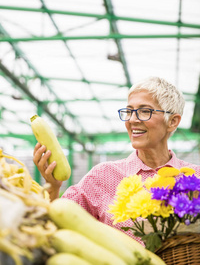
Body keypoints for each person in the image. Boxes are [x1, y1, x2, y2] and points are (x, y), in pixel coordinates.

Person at [33, 76, 200, 241]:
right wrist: (53, 187)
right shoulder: (102, 176)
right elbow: (59, 224)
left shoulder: (195, 176)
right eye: (129, 111)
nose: (132, 120)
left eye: (144, 111)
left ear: (172, 121)